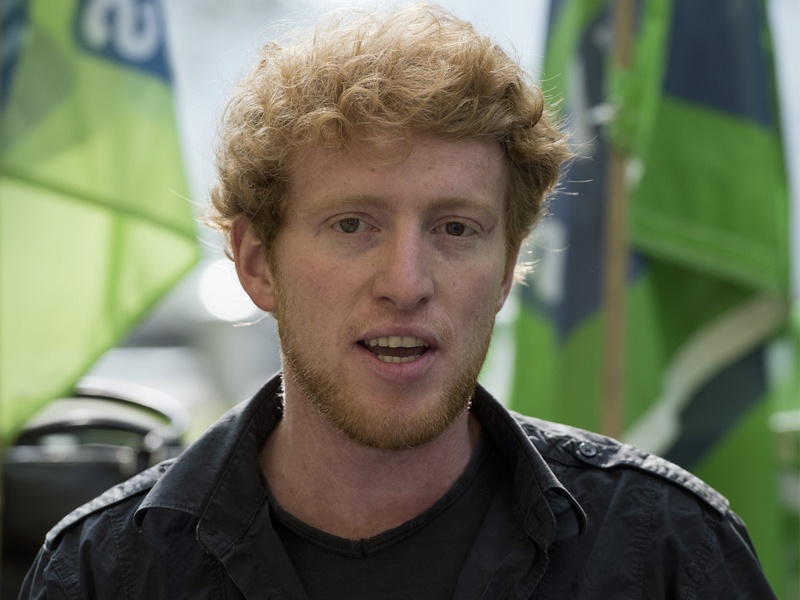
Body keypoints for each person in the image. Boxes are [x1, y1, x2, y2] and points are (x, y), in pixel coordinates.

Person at [21, 4, 775, 599]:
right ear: (256, 263)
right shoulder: (106, 572)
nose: (406, 282)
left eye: (455, 229)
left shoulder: (665, 550)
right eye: (353, 225)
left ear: (508, 267)